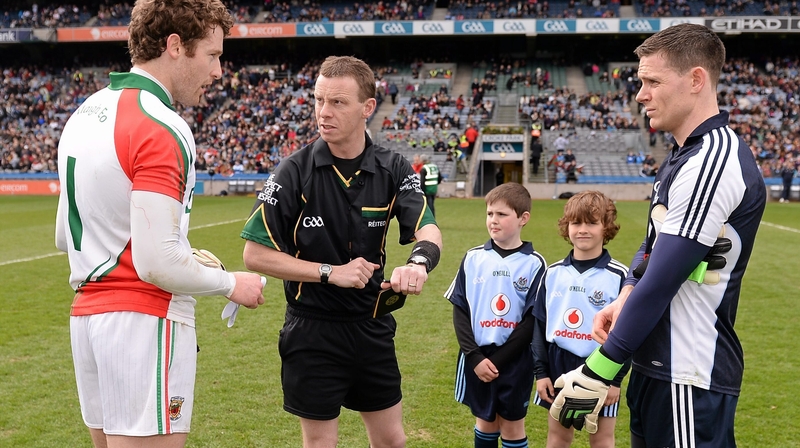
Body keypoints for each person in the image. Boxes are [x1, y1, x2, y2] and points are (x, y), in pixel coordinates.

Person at [54, 1, 266, 447]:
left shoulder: (84, 113)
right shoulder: (159, 124)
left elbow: (63, 236)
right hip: (142, 321)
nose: (218, 71)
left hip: (88, 319)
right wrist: (230, 284)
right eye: (212, 55)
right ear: (175, 46)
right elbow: (155, 263)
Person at [550, 24, 767, 448]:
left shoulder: (712, 160)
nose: (640, 94)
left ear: (696, 80)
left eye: (652, 81)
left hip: (687, 372)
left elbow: (664, 278)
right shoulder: (681, 157)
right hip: (658, 368)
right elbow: (652, 248)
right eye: (640, 82)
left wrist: (599, 368)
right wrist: (627, 289)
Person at [240, 55, 443, 448]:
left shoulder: (393, 168)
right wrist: (329, 271)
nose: (323, 112)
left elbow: (429, 230)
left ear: (367, 108)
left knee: (392, 441)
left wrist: (418, 263)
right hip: (312, 330)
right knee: (320, 445)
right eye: (318, 100)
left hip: (372, 326)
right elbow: (255, 254)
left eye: (337, 102)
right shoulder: (292, 171)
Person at [445, 182, 546, 448]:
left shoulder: (534, 263)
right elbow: (460, 309)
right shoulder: (473, 257)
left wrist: (499, 361)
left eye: (502, 214)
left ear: (523, 218)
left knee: (513, 426)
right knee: (484, 422)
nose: (494, 220)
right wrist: (475, 357)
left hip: (514, 360)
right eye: (490, 213)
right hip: (477, 356)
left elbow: (531, 322)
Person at [532, 191, 630, 448]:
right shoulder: (553, 273)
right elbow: (539, 326)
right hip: (558, 364)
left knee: (601, 438)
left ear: (606, 227)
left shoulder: (620, 276)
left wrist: (614, 380)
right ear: (567, 227)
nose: (582, 230)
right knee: (558, 436)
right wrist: (541, 373)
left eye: (591, 223)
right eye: (576, 223)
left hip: (602, 366)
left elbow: (629, 333)